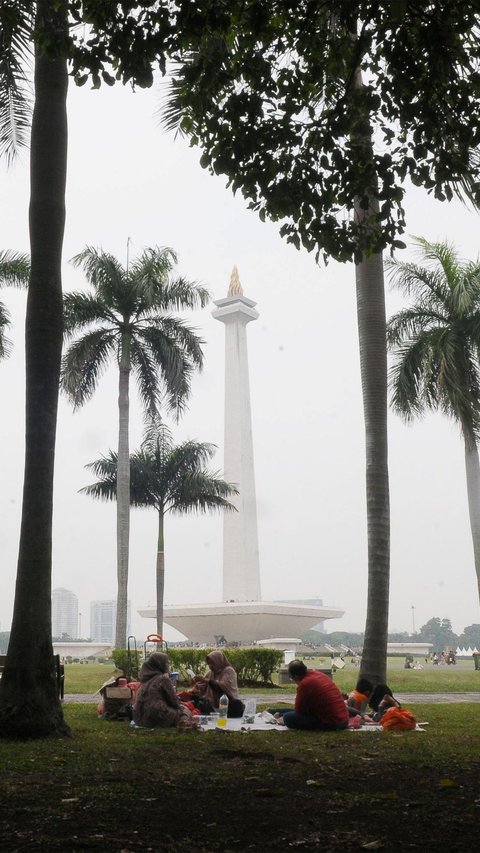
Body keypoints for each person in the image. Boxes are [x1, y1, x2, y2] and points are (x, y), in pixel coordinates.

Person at [271, 660, 349, 731]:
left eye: (291, 678)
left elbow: (299, 711)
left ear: (296, 676)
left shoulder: (305, 684)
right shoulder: (320, 674)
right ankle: (273, 712)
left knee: (288, 718)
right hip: (343, 719)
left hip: (331, 723)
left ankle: (279, 714)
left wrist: (283, 716)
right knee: (286, 713)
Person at [133, 653, 194, 729]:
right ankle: (185, 723)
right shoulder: (163, 678)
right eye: (166, 663)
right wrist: (180, 704)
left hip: (139, 719)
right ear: (160, 664)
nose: (168, 665)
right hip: (157, 716)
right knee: (184, 710)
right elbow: (174, 702)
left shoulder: (145, 679)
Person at [180, 650, 244, 717]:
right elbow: (202, 687)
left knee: (236, 704)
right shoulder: (210, 673)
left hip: (228, 704)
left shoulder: (228, 671)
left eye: (213, 663)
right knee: (198, 701)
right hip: (212, 705)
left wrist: (205, 680)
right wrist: (195, 686)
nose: (210, 666)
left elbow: (223, 687)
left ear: (219, 661)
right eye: (209, 664)